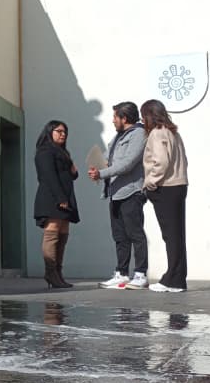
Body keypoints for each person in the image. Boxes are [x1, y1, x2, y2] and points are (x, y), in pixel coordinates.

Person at [88, 102, 148, 290]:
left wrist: (101, 174)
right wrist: (97, 167)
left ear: (124, 118)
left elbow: (127, 163)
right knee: (120, 236)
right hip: (115, 193)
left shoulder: (139, 134)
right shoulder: (118, 136)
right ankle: (121, 274)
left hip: (131, 192)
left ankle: (140, 274)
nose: (112, 120)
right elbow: (108, 159)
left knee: (135, 234)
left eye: (115, 117)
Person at [140, 99, 188, 293]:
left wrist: (151, 181)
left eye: (143, 116)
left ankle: (172, 280)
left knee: (170, 235)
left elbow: (160, 161)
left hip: (165, 187)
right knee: (177, 235)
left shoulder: (157, 133)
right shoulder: (173, 132)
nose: (143, 121)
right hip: (179, 185)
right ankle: (178, 279)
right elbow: (184, 160)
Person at [32, 120, 80, 289]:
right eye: (59, 131)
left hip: (65, 197)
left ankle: (58, 273)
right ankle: (50, 272)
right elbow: (49, 176)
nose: (63, 134)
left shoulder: (62, 152)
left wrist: (74, 172)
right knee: (52, 233)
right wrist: (60, 198)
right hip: (52, 197)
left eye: (65, 132)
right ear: (49, 132)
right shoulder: (45, 151)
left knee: (63, 233)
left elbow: (68, 175)